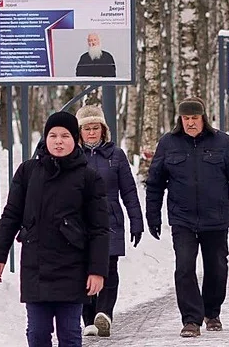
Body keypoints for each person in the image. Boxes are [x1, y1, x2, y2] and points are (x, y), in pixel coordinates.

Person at [0, 111, 110, 347]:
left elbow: (99, 229)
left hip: (72, 269)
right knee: (37, 333)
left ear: (76, 139)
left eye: (65, 136)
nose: (58, 141)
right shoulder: (28, 172)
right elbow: (11, 214)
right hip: (36, 268)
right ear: (45, 139)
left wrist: (97, 270)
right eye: (52, 135)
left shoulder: (89, 178)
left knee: (69, 335)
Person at [145, 97, 229, 338]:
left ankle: (212, 311)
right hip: (182, 219)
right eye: (185, 119)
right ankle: (191, 319)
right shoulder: (168, 143)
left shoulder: (223, 143)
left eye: (194, 118)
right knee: (184, 267)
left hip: (215, 219)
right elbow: (155, 183)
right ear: (180, 119)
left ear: (203, 118)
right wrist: (152, 215)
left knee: (217, 268)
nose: (190, 123)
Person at [76, 105, 144, 338]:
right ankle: (88, 317)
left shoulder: (116, 155)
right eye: (87, 129)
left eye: (96, 128)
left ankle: (103, 314)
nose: (92, 133)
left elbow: (129, 191)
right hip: (80, 222)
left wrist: (137, 220)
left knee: (108, 268)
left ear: (104, 130)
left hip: (110, 220)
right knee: (83, 269)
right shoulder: (73, 156)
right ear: (80, 132)